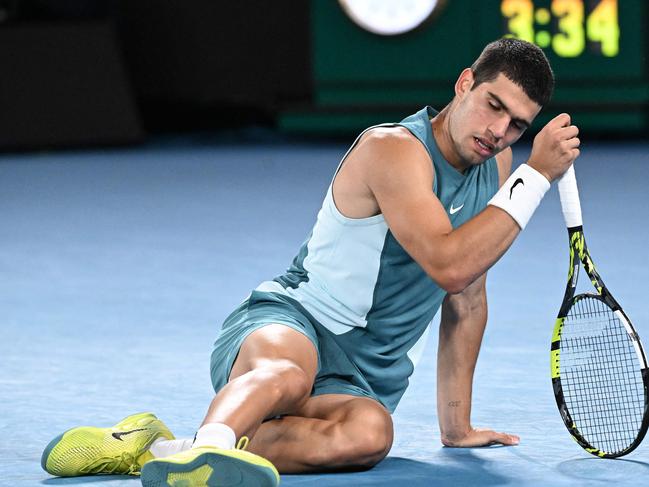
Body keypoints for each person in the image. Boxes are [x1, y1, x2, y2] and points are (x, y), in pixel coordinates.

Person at [41, 38, 579, 486]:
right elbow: (448, 265)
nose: (499, 130)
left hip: (362, 376)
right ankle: (204, 455)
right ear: (465, 83)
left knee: (372, 436)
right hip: (293, 323)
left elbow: (466, 296)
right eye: (493, 104)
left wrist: (456, 429)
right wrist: (535, 179)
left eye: (516, 124)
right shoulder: (393, 149)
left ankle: (158, 448)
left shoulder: (496, 164)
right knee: (290, 375)